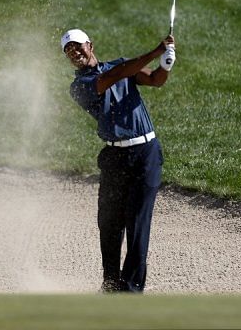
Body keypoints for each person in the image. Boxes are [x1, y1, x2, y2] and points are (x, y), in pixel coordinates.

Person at [61, 28, 176, 293]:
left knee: (138, 223)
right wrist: (156, 50)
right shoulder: (79, 87)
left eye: (77, 46)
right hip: (114, 156)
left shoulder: (120, 67)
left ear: (90, 44)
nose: (75, 53)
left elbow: (157, 80)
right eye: (69, 51)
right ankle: (111, 284)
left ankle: (131, 291)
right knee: (109, 221)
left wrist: (166, 63)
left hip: (145, 152)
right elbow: (114, 76)